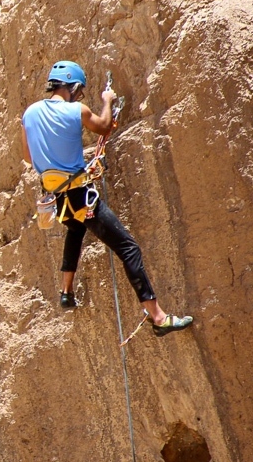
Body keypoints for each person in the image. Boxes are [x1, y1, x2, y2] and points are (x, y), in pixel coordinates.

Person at [21, 61, 192, 337]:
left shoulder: (29, 114)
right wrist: (108, 100)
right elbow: (102, 127)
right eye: (79, 91)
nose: (78, 95)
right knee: (128, 248)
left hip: (57, 196)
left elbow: (29, 157)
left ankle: (66, 291)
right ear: (73, 87)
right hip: (78, 194)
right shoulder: (77, 110)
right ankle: (158, 317)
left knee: (75, 229)